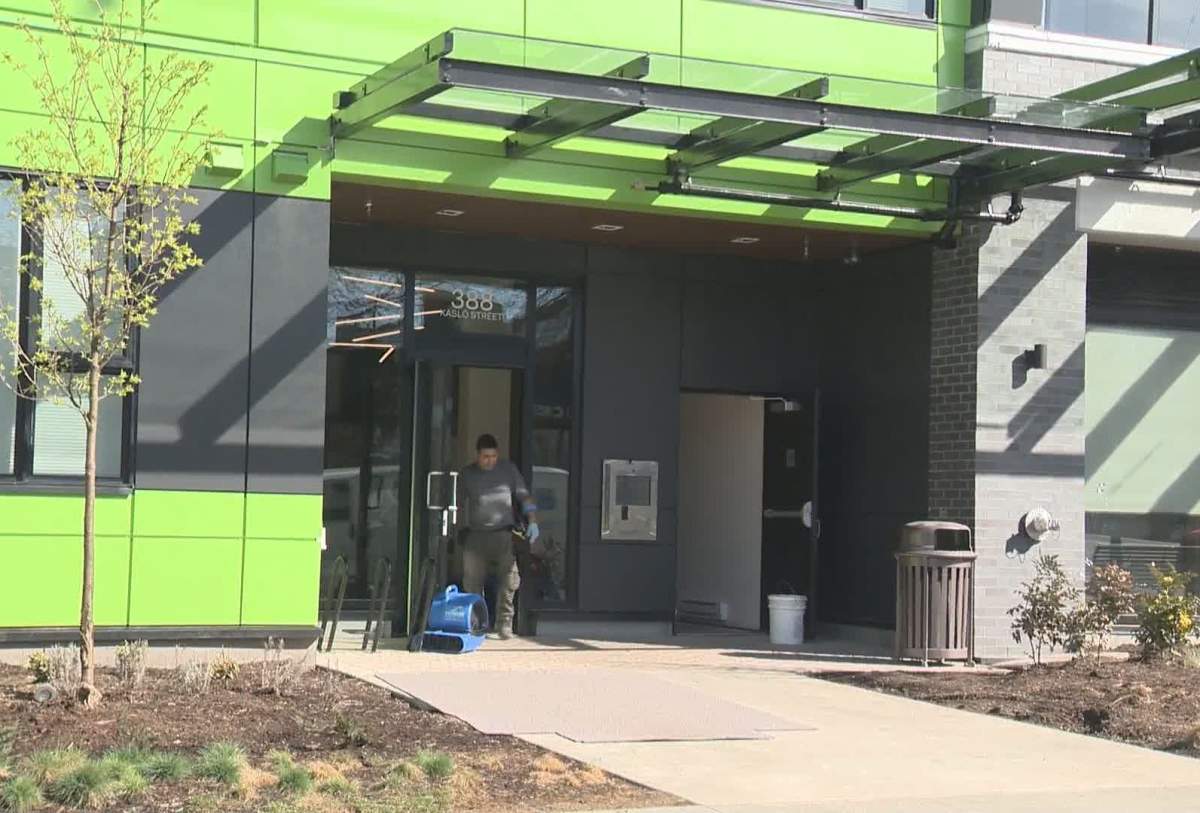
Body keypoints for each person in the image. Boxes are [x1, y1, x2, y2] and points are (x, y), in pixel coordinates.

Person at [458, 433, 539, 639]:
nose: (489, 461)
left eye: (493, 456)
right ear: (477, 455)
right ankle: (476, 623)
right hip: (476, 535)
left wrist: (533, 521)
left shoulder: (508, 470)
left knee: (509, 580)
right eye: (485, 456)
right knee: (472, 582)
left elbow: (524, 496)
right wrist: (455, 528)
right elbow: (457, 503)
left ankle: (504, 624)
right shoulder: (467, 474)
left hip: (503, 534)